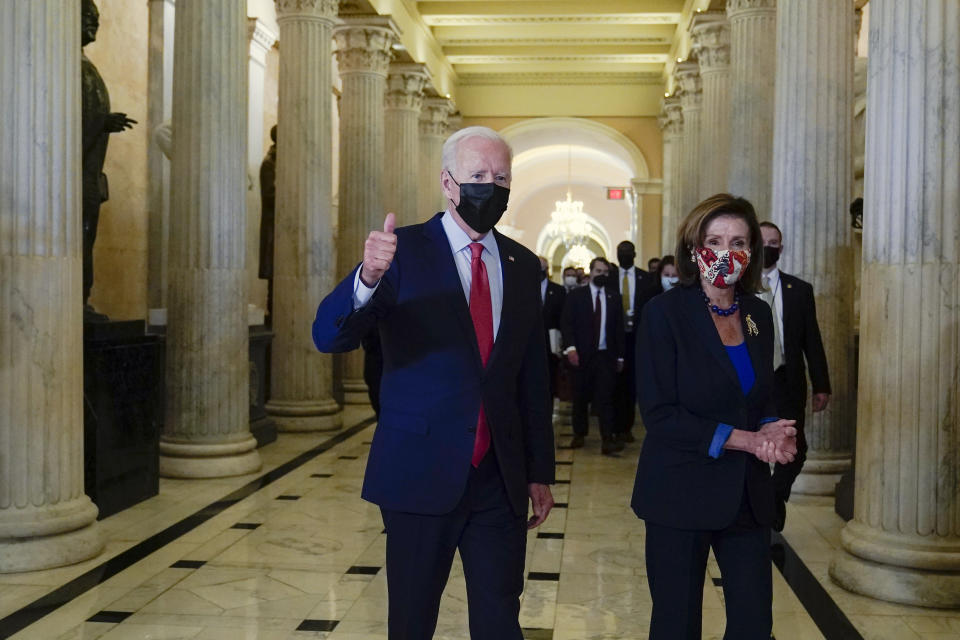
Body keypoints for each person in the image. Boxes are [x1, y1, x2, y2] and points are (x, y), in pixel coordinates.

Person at [312, 126, 555, 640]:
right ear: (449, 184)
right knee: (412, 619)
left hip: (499, 476)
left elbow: (532, 375)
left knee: (499, 619)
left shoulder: (523, 264)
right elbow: (329, 336)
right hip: (419, 472)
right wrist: (367, 278)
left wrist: (539, 470)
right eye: (478, 176)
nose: (492, 186)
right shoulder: (401, 252)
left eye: (502, 177)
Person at [632, 194, 798, 640]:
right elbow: (661, 414)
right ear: (694, 248)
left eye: (738, 241)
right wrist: (746, 439)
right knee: (677, 623)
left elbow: (760, 394)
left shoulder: (757, 317)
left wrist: (773, 429)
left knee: (753, 623)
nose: (726, 252)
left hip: (746, 495)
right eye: (714, 240)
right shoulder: (664, 315)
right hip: (680, 491)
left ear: (751, 252)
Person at [759, 221, 831, 532]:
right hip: (752, 379)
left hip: (788, 379)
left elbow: (811, 341)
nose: (768, 247)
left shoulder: (799, 290)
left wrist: (822, 384)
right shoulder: (739, 287)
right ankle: (760, 509)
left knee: (795, 449)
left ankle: (773, 497)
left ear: (781, 247)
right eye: (762, 242)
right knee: (756, 447)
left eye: (774, 242)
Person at [561, 257, 625, 455]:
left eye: (605, 272)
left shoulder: (614, 297)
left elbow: (618, 330)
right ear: (591, 272)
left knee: (606, 398)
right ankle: (579, 434)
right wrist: (570, 348)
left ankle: (607, 439)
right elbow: (567, 323)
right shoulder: (577, 296)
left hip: (605, 356)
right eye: (598, 271)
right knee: (580, 396)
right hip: (582, 354)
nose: (602, 275)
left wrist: (620, 357)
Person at [609, 241, 659, 441]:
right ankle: (612, 426)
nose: (625, 255)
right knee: (612, 385)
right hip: (613, 338)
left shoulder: (646, 278)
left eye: (628, 252)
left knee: (631, 385)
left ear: (635, 254)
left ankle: (627, 427)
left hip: (637, 337)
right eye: (621, 252)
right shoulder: (610, 277)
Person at [539, 256, 566, 398]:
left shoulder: (558, 291)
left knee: (549, 384)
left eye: (542, 268)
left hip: (551, 345)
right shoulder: (524, 288)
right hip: (530, 344)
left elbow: (563, 318)